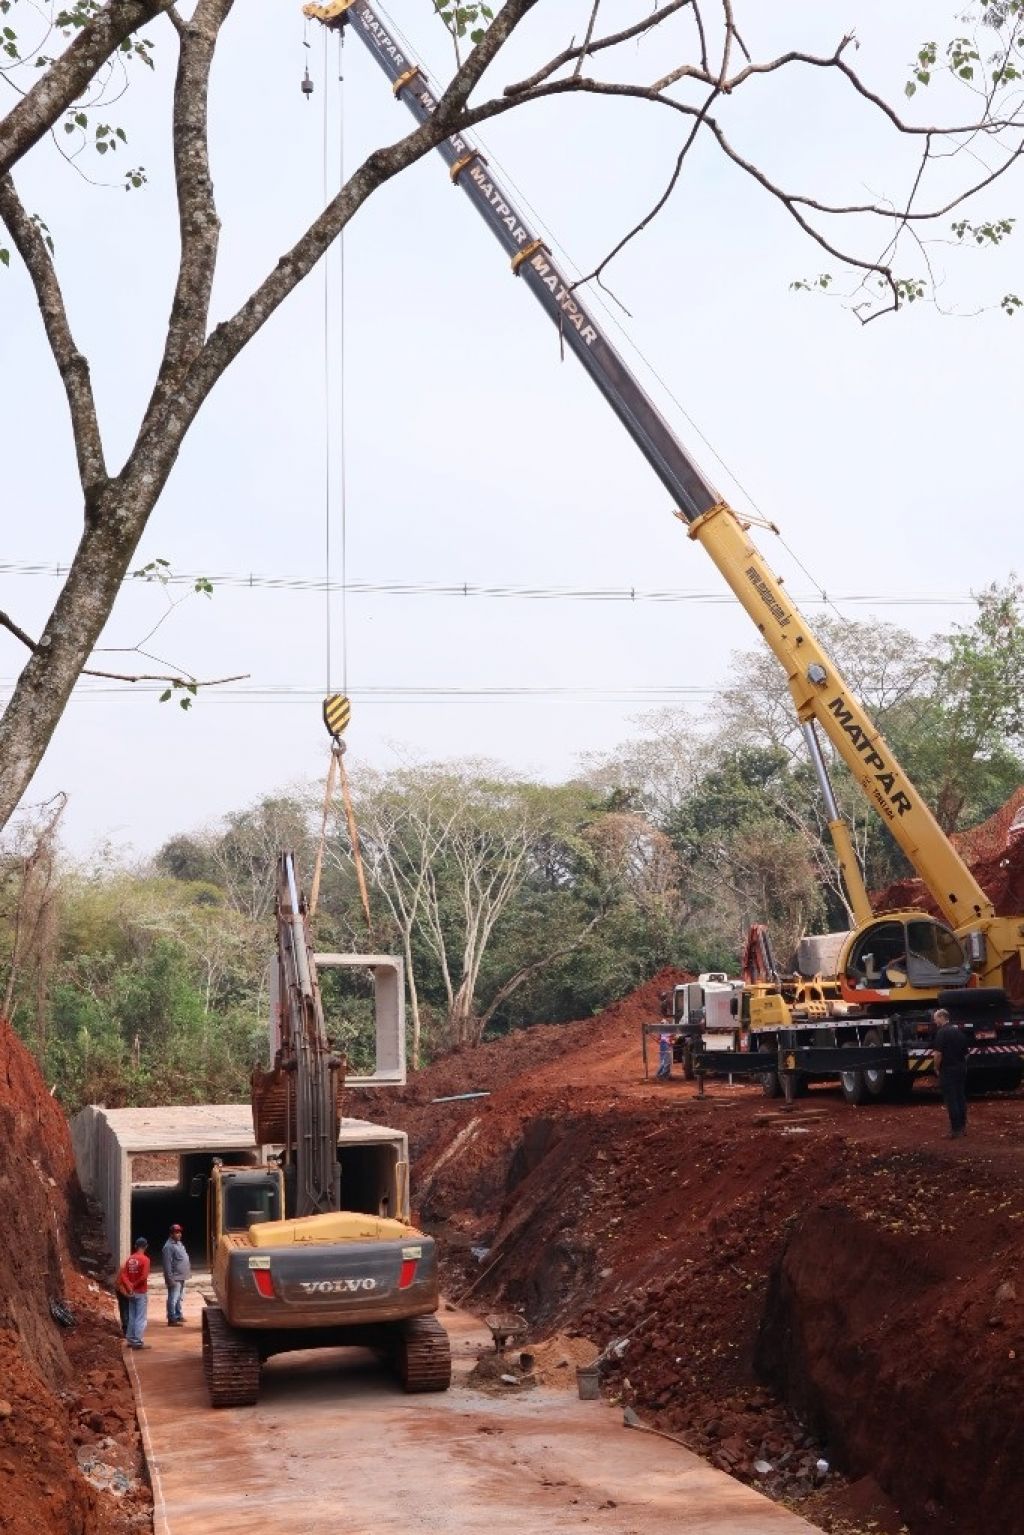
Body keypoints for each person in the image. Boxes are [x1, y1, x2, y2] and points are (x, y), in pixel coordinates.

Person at [932, 1006, 968, 1139]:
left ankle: (955, 1129)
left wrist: (936, 1068)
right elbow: (966, 1054)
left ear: (942, 1017)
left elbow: (938, 1054)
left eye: (936, 1019)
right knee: (960, 1097)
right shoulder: (958, 1032)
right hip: (960, 1068)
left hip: (948, 1070)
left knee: (951, 1099)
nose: (935, 1022)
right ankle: (963, 1127)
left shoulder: (942, 1033)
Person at [117, 1237, 151, 1349]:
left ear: (135, 1246)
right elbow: (144, 1276)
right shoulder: (145, 1259)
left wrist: (129, 1286)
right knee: (141, 1317)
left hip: (130, 1292)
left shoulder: (130, 1259)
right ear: (146, 1246)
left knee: (132, 1316)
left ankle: (130, 1339)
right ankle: (137, 1341)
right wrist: (134, 1285)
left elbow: (123, 1275)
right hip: (140, 1291)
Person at [161, 1223, 191, 1326]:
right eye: (176, 1232)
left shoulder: (179, 1244)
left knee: (179, 1297)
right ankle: (171, 1318)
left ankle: (178, 1315)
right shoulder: (168, 1247)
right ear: (171, 1234)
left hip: (181, 1276)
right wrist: (170, 1279)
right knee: (173, 1298)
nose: (179, 1234)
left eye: (180, 1232)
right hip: (175, 1277)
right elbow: (167, 1265)